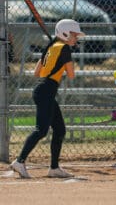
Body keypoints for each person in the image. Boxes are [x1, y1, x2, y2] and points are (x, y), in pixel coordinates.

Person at [10, 19, 85, 178]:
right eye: (74, 35)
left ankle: (54, 168)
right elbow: (71, 75)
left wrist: (56, 59)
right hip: (46, 91)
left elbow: (37, 72)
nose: (76, 38)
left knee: (59, 129)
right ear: (65, 33)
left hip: (44, 90)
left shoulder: (50, 47)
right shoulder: (63, 48)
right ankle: (19, 161)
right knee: (41, 130)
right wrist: (66, 59)